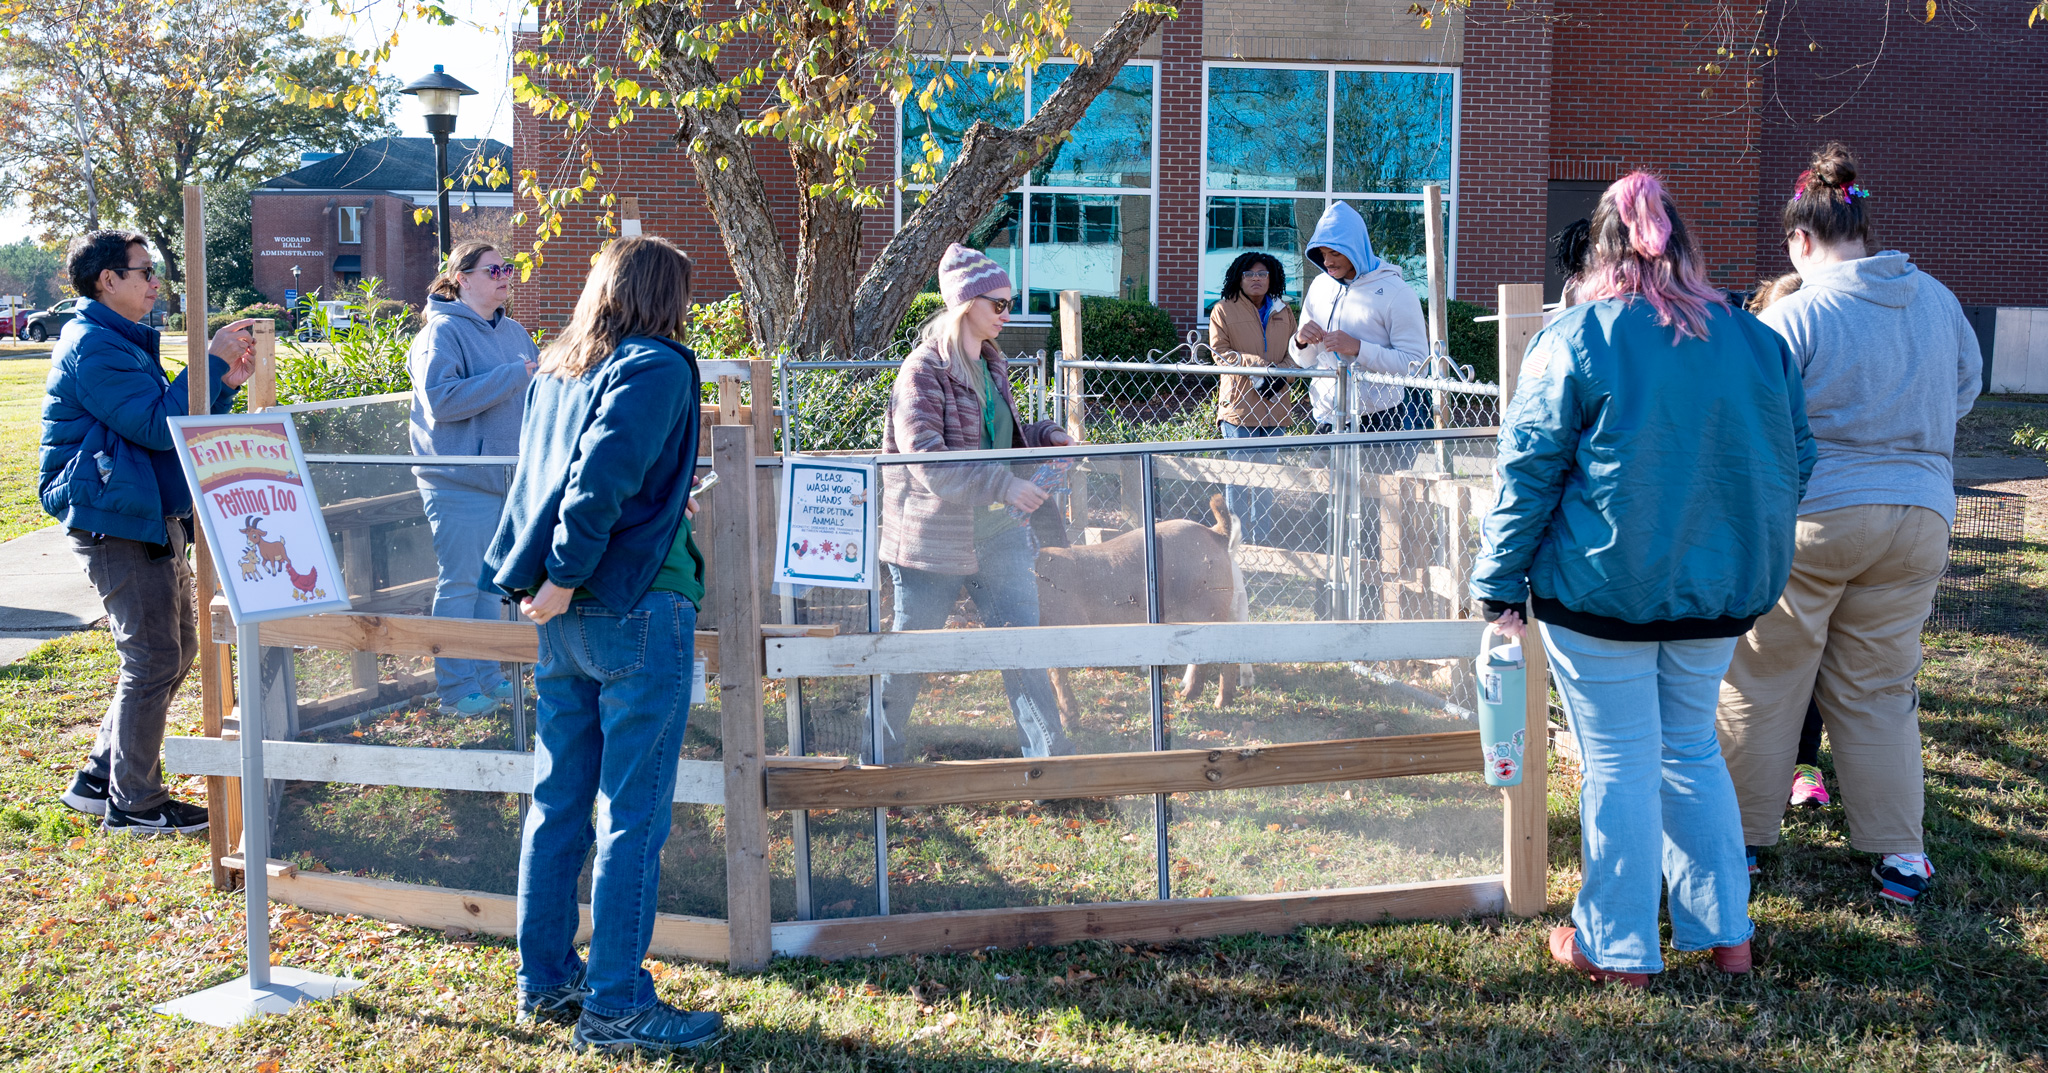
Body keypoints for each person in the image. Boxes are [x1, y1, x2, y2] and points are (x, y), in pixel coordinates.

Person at [1471, 172, 1814, 986]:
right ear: (1686, 249)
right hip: (1719, 591)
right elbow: (1796, 458)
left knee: (1621, 759)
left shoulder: (1578, 335)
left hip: (1601, 588)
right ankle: (1725, 931)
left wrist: (1498, 584)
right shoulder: (1758, 340)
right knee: (1690, 748)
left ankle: (1617, 944)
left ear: (1599, 252)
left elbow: (1528, 471)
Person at [1717, 144, 1981, 908]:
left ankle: (1739, 840)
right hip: (1922, 513)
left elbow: (1755, 421)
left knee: (1763, 677)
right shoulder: (1937, 299)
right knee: (1881, 685)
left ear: (1801, 241)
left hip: (1818, 517)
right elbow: (1967, 385)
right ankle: (1902, 855)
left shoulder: (1796, 314)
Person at [482, 236, 722, 1054]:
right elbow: (596, 480)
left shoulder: (560, 367)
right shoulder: (657, 363)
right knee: (632, 815)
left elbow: (547, 479)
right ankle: (616, 1004)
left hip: (564, 616)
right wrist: (566, 568)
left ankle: (547, 980)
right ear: (666, 294)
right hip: (631, 604)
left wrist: (549, 583)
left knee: (558, 801)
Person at [42, 230, 256, 834]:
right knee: (152, 656)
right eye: (144, 271)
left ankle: (99, 775)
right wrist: (209, 359)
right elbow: (158, 427)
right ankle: (133, 801)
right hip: (117, 522)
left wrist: (224, 385)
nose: (155, 281)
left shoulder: (122, 340)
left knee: (174, 650)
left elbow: (172, 416)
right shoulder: (95, 347)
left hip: (144, 515)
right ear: (107, 280)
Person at [875, 244, 1079, 764]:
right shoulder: (922, 372)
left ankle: (1049, 766)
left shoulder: (991, 366)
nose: (1009, 314)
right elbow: (927, 460)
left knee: (1024, 651)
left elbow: (999, 441)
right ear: (967, 303)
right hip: (931, 544)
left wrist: (1045, 435)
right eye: (1001, 304)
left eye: (1011, 303)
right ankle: (875, 762)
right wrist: (1004, 486)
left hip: (1000, 535)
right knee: (910, 658)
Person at [408, 241, 538, 716]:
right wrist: (511, 376)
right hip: (457, 483)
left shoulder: (516, 332)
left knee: (490, 587)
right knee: (461, 585)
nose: (505, 275)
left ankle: (488, 678)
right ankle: (456, 691)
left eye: (509, 267)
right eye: (493, 269)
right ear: (461, 278)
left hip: (505, 483)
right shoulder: (439, 334)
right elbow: (441, 402)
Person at [1746, 272, 1834, 817]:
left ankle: (1796, 769)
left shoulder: (1768, 346)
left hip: (1796, 522)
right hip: (1787, 524)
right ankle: (1786, 770)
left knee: (1790, 660)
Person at [1287, 201, 1427, 434]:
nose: (1327, 262)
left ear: (1356, 247)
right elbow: (1305, 361)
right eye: (1322, 254)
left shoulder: (1397, 292)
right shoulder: (1320, 286)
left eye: (1335, 252)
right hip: (1325, 416)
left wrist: (1359, 348)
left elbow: (1417, 367)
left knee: (1375, 473)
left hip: (1379, 417)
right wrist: (1300, 342)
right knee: (1316, 472)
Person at [1209, 251, 1300, 546]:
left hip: (1275, 408)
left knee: (1266, 483)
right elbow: (1219, 353)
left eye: (1262, 274)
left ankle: (1261, 542)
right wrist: (1256, 365)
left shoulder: (1283, 311)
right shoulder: (1223, 310)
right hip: (1239, 410)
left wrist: (1278, 373)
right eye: (1249, 274)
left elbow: (1297, 355)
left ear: (1272, 277)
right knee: (1238, 478)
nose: (1256, 279)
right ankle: (1234, 542)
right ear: (1239, 277)